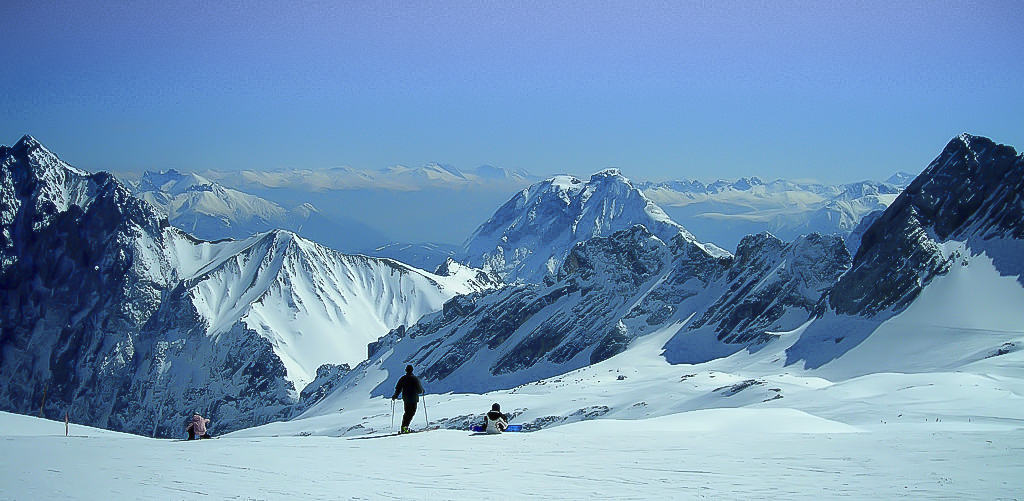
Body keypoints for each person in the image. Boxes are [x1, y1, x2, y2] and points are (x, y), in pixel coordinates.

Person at [391, 365, 424, 434]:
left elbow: (398, 389)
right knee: (411, 413)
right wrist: (422, 390)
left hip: (406, 399)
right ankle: (405, 428)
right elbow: (419, 390)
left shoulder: (402, 379)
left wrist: (395, 396)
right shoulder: (415, 379)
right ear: (412, 370)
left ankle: (404, 428)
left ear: (406, 370)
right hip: (414, 398)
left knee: (407, 413)